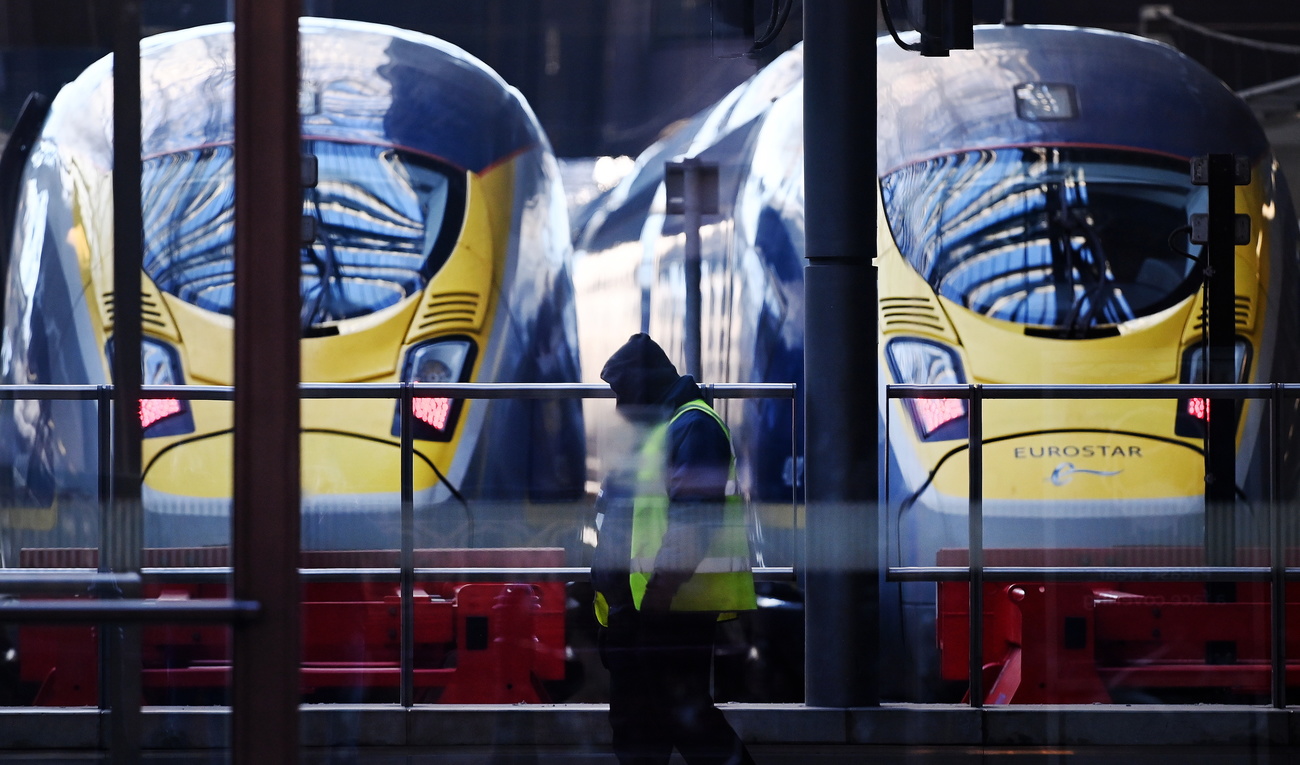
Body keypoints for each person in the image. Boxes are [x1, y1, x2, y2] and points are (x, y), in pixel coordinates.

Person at [592, 332, 757, 765]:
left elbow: (693, 523)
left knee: (686, 723)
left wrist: (651, 608)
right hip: (639, 612)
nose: (618, 403)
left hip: (669, 609)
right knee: (640, 730)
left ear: (642, 386)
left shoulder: (693, 426)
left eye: (621, 391)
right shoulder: (657, 430)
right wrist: (616, 611)